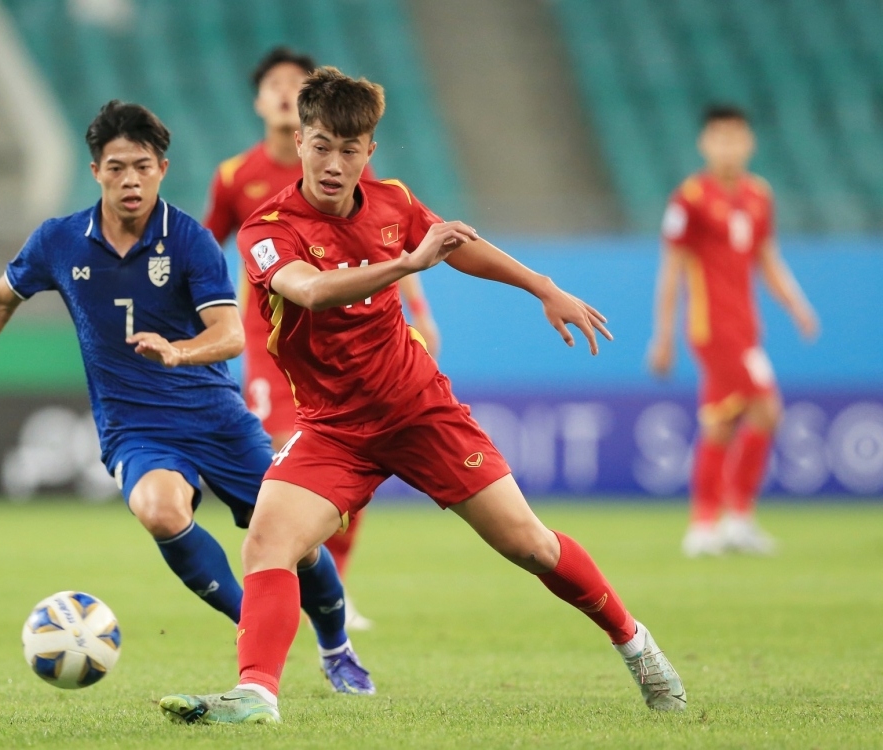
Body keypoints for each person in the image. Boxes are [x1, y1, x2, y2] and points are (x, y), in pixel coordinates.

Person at [158, 67, 686, 725]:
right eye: (321, 144)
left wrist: (542, 286)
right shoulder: (266, 229)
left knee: (530, 545)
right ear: (301, 142)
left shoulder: (392, 203)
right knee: (267, 542)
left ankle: (635, 644)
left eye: (349, 150)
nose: (333, 162)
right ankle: (257, 694)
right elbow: (312, 291)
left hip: (418, 411)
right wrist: (409, 263)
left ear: (368, 153)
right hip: (335, 428)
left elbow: (459, 247)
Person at [0, 100, 372, 693]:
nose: (129, 180)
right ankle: (256, 629)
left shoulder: (188, 240)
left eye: (141, 166)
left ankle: (336, 646)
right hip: (136, 428)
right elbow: (0, 299)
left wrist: (178, 350)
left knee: (300, 541)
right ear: (95, 173)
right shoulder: (60, 241)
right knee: (161, 510)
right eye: (115, 168)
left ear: (162, 168)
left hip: (217, 419)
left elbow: (232, 335)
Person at [205, 47, 441, 628]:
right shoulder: (238, 177)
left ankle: (332, 582)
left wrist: (420, 312)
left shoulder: (339, 163)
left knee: (345, 453)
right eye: (275, 85)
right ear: (260, 101)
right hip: (272, 340)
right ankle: (298, 574)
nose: (286, 92)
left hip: (350, 339)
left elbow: (386, 245)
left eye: (296, 83)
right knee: (290, 451)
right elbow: (208, 246)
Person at [649, 105, 818, 558]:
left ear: (749, 143)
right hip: (712, 327)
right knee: (765, 408)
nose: (728, 146)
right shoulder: (690, 198)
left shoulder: (759, 195)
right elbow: (672, 269)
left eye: (736, 137)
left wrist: (797, 305)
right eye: (719, 138)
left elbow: (767, 259)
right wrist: (662, 334)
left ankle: (711, 523)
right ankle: (729, 518)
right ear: (705, 144)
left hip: (746, 327)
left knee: (722, 422)